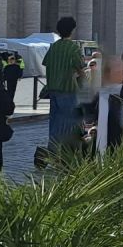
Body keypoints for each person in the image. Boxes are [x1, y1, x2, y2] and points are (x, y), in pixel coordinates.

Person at [42, 17, 87, 152]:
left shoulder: (53, 47)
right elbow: (81, 68)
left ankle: (52, 149)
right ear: (72, 30)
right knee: (71, 122)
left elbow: (46, 64)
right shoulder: (73, 48)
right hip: (68, 90)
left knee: (55, 122)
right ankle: (69, 153)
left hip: (53, 90)